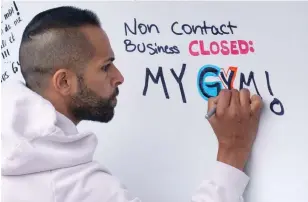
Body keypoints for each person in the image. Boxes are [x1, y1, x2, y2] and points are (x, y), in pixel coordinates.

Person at [1, 6, 263, 202]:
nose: (119, 77)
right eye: (105, 67)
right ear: (64, 82)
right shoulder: (75, 186)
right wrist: (232, 153)